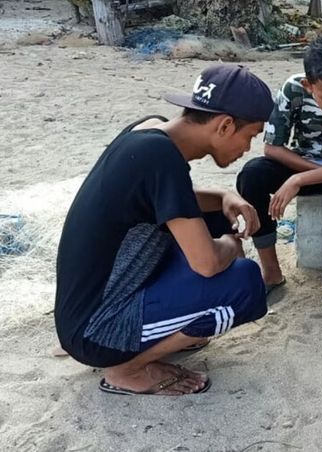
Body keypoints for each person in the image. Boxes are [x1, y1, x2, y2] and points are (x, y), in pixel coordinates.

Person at [55, 64, 274, 396]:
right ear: (225, 125)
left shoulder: (149, 132)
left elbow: (165, 199)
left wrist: (224, 197)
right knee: (245, 284)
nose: (247, 148)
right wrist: (232, 241)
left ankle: (169, 330)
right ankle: (128, 368)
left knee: (216, 216)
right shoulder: (161, 159)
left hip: (82, 309)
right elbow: (207, 263)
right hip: (97, 332)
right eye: (251, 136)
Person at [236, 34, 322, 348]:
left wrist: (299, 181)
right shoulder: (292, 90)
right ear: (310, 84)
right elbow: (272, 148)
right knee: (253, 174)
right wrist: (308, 174)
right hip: (305, 164)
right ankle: (271, 271)